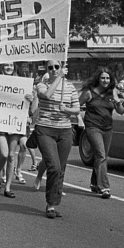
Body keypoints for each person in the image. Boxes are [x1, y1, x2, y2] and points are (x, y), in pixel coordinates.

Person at [34, 60, 80, 219]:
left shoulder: (70, 87)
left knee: (61, 168)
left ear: (61, 67)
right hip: (45, 129)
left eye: (56, 67)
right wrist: (59, 77)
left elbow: (77, 109)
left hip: (64, 130)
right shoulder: (42, 85)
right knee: (53, 166)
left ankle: (52, 204)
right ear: (47, 70)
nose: (53, 69)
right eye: (50, 67)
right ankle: (50, 202)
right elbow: (46, 95)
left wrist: (66, 109)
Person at [0, 62, 34, 199]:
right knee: (4, 154)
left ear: (14, 67)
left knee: (11, 156)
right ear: (1, 67)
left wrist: (30, 99)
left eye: (11, 65)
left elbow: (28, 105)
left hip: (14, 123)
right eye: (6, 65)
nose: (9, 68)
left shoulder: (20, 83)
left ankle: (8, 187)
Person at [80, 68, 124, 199]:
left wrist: (117, 101)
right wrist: (78, 119)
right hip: (93, 127)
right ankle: (104, 187)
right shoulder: (89, 92)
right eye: (103, 78)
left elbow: (121, 111)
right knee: (101, 155)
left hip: (107, 128)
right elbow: (76, 105)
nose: (105, 81)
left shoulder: (112, 92)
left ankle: (94, 183)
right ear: (98, 79)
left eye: (108, 78)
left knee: (101, 157)